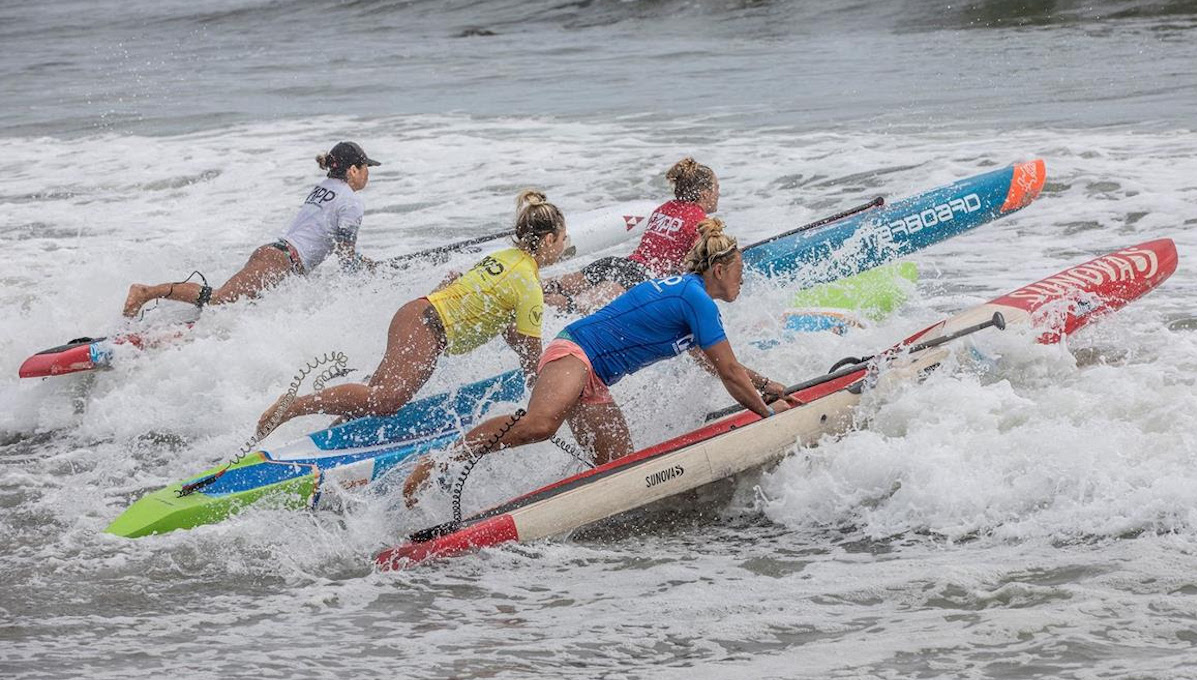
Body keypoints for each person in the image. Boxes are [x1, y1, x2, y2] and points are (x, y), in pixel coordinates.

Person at [402, 218, 793, 506]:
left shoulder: (688, 295)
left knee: (622, 476)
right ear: (720, 270)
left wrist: (765, 384)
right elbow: (728, 371)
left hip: (591, 375)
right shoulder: (697, 300)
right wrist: (769, 419)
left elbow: (715, 364)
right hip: (573, 353)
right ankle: (440, 460)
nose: (742, 281)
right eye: (739, 272)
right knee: (540, 423)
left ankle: (548, 512)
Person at [256, 190, 568, 438]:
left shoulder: (505, 257)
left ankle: (333, 437)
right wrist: (540, 402)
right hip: (427, 327)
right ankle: (292, 406)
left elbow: (471, 292)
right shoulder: (528, 285)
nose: (564, 246)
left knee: (370, 400)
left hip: (418, 315)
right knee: (387, 399)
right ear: (549, 239)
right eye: (563, 239)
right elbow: (530, 355)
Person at [122, 141, 382, 318]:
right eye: (366, 168)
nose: (368, 174)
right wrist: (371, 277)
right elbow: (346, 257)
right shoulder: (351, 201)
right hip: (281, 262)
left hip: (278, 257)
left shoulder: (324, 187)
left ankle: (180, 329)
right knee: (221, 299)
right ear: (353, 169)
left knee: (238, 311)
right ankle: (147, 292)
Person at [543, 157, 719, 314]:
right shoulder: (700, 221)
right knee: (575, 305)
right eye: (716, 188)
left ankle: (525, 283)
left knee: (557, 285)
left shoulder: (664, 208)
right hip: (641, 280)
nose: (719, 193)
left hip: (619, 264)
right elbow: (695, 263)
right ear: (705, 193)